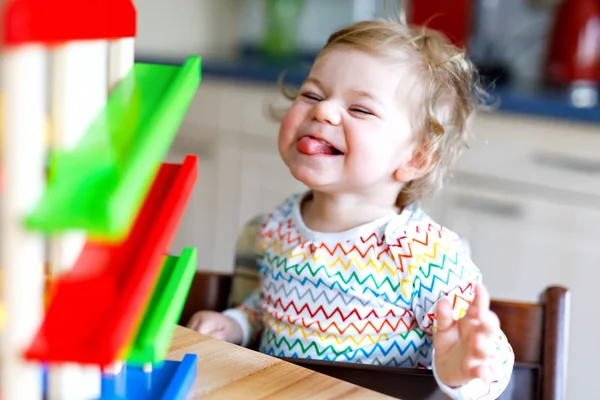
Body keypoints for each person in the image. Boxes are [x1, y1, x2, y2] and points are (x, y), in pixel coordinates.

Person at [187, 18, 514, 400]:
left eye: (359, 109)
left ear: (416, 157)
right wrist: (236, 324)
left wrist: (462, 370)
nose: (324, 112)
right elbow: (276, 305)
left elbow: (489, 356)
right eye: (312, 94)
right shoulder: (275, 226)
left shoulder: (424, 253)